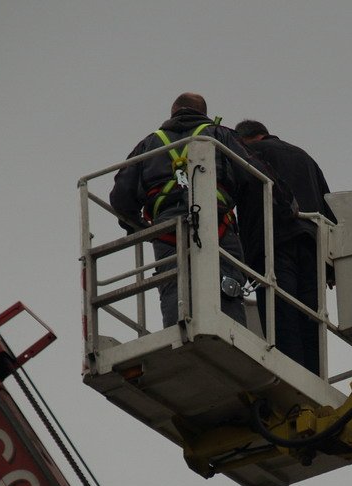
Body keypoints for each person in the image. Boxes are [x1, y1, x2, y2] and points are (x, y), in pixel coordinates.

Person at [110, 93, 261, 328]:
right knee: (227, 284)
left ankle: (178, 332)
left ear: (173, 113)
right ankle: (230, 331)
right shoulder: (220, 135)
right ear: (204, 113)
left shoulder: (149, 144)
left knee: (174, 286)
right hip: (218, 222)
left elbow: (120, 197)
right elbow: (252, 177)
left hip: (167, 229)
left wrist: (140, 228)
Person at [234, 120, 337, 375]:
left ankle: (289, 373)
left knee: (281, 311)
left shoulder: (250, 154)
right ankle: (314, 376)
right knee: (311, 316)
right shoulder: (305, 158)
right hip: (312, 245)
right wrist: (332, 266)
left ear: (245, 139)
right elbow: (329, 207)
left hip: (273, 242)